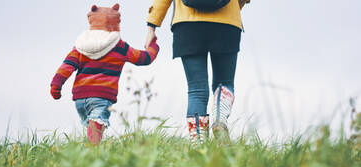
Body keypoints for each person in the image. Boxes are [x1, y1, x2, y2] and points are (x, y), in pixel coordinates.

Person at [50, 3, 159, 145]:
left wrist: (56, 86)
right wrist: (153, 46)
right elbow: (144, 59)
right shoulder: (119, 46)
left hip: (80, 99)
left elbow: (66, 67)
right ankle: (94, 154)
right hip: (101, 96)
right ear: (116, 23)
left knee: (91, 129)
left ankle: (90, 151)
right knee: (95, 131)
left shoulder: (80, 46)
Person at [145, 0, 250, 144]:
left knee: (197, 91)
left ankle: (199, 146)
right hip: (227, 24)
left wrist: (152, 26)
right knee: (224, 83)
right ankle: (220, 118)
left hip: (187, 25)